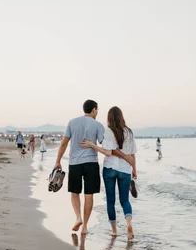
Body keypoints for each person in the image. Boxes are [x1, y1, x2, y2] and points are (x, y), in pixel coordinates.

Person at [80, 106, 137, 239]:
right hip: (125, 170)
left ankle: (114, 230)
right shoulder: (129, 132)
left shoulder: (109, 131)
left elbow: (108, 151)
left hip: (110, 169)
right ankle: (128, 223)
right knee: (125, 201)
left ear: (109, 118)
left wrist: (92, 145)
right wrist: (134, 169)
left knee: (110, 201)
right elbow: (133, 153)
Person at [54, 99, 106, 235]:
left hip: (74, 163)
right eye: (97, 110)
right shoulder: (98, 125)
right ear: (94, 110)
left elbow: (64, 143)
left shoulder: (72, 122)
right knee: (89, 195)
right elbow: (105, 146)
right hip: (91, 163)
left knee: (75, 192)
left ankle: (78, 217)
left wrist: (58, 160)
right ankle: (85, 227)